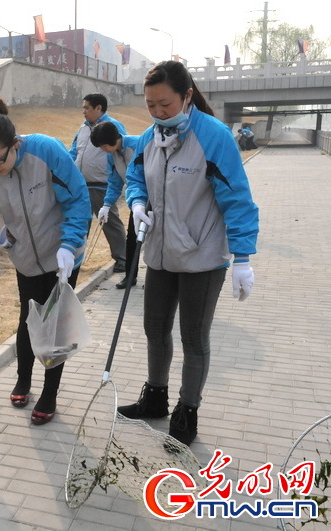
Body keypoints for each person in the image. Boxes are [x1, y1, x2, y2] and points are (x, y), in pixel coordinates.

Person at [117, 61, 259, 446]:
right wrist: (137, 201)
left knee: (193, 337)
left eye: (165, 104)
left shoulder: (213, 137)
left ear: (187, 96)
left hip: (202, 257)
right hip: (161, 255)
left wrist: (243, 257)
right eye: (151, 105)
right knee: (154, 329)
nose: (158, 112)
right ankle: (155, 398)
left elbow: (238, 199)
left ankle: (187, 410)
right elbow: (135, 177)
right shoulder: (150, 136)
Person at [0, 98, 92, 426]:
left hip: (63, 256)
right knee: (28, 318)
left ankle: (50, 393)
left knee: (55, 325)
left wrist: (70, 243)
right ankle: (24, 378)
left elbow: (78, 197)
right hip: (26, 259)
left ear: (15, 144)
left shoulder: (45, 151)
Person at [69, 93, 128, 273]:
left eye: (87, 107)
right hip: (81, 186)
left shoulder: (112, 127)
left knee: (110, 222)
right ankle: (75, 259)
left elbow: (121, 152)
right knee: (79, 222)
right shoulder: (83, 128)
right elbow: (73, 152)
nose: (84, 111)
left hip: (102, 185)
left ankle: (122, 259)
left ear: (99, 108)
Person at [89, 121, 141, 289]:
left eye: (102, 147)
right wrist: (106, 205)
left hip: (155, 198)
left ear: (107, 143)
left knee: (158, 238)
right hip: (137, 200)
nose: (103, 151)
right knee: (132, 238)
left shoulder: (139, 145)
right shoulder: (112, 155)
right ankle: (130, 276)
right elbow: (114, 182)